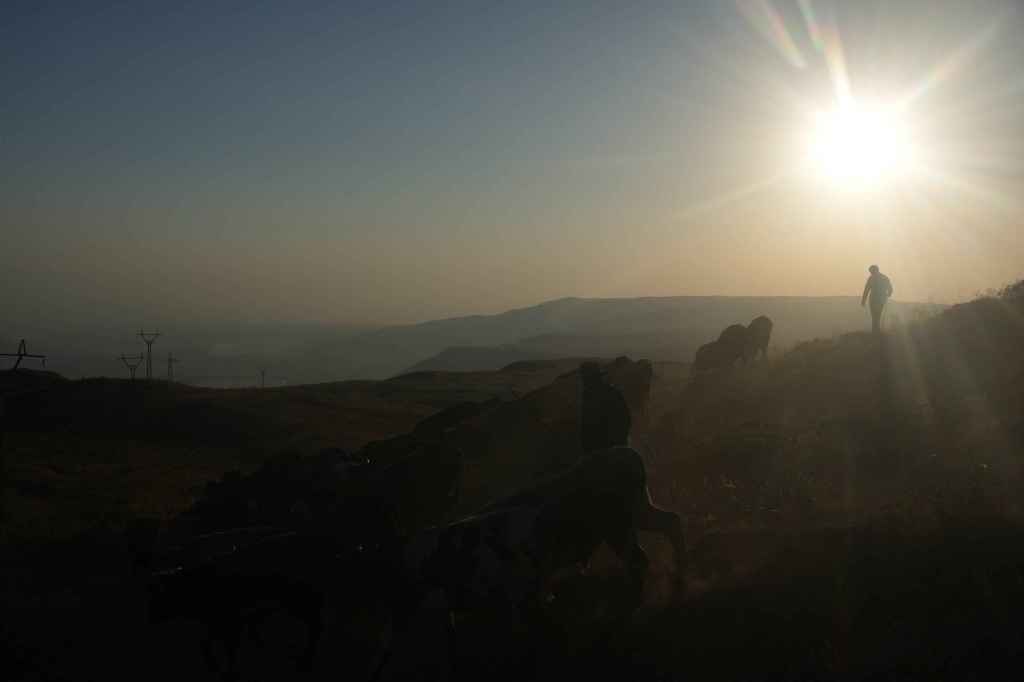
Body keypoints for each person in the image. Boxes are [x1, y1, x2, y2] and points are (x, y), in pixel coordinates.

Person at [579, 361, 631, 453]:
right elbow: (626, 418)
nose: (585, 383)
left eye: (586, 379)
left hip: (607, 447)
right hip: (611, 446)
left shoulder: (590, 396)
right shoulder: (612, 393)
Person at [861, 264, 894, 334]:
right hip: (881, 299)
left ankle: (875, 330)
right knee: (877, 315)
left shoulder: (871, 278)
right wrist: (888, 294)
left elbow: (866, 290)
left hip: (874, 299)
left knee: (875, 315)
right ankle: (876, 330)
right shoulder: (884, 278)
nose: (871, 273)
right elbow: (890, 289)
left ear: (874, 270)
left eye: (871, 271)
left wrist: (863, 301)